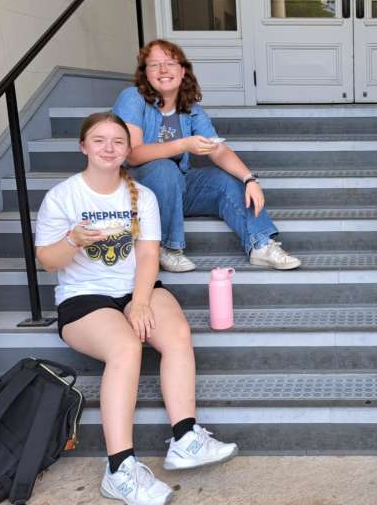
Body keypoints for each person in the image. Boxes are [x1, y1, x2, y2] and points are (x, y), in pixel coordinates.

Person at [35, 113, 238, 505]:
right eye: (99, 140)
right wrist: (73, 240)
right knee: (126, 348)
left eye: (118, 142)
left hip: (135, 289)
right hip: (83, 297)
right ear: (83, 146)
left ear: (128, 150)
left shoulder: (142, 196)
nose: (109, 148)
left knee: (177, 333)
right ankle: (119, 469)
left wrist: (140, 302)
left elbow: (147, 256)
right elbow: (47, 261)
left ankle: (185, 438)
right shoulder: (63, 196)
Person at [112, 39, 301, 273]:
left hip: (177, 186)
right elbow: (132, 154)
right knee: (164, 169)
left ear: (183, 70)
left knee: (224, 179)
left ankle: (260, 245)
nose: (163, 70)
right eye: (154, 65)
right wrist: (183, 144)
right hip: (139, 189)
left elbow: (218, 149)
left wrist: (249, 179)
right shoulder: (133, 97)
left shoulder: (190, 108)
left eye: (170, 63)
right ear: (145, 73)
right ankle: (167, 248)